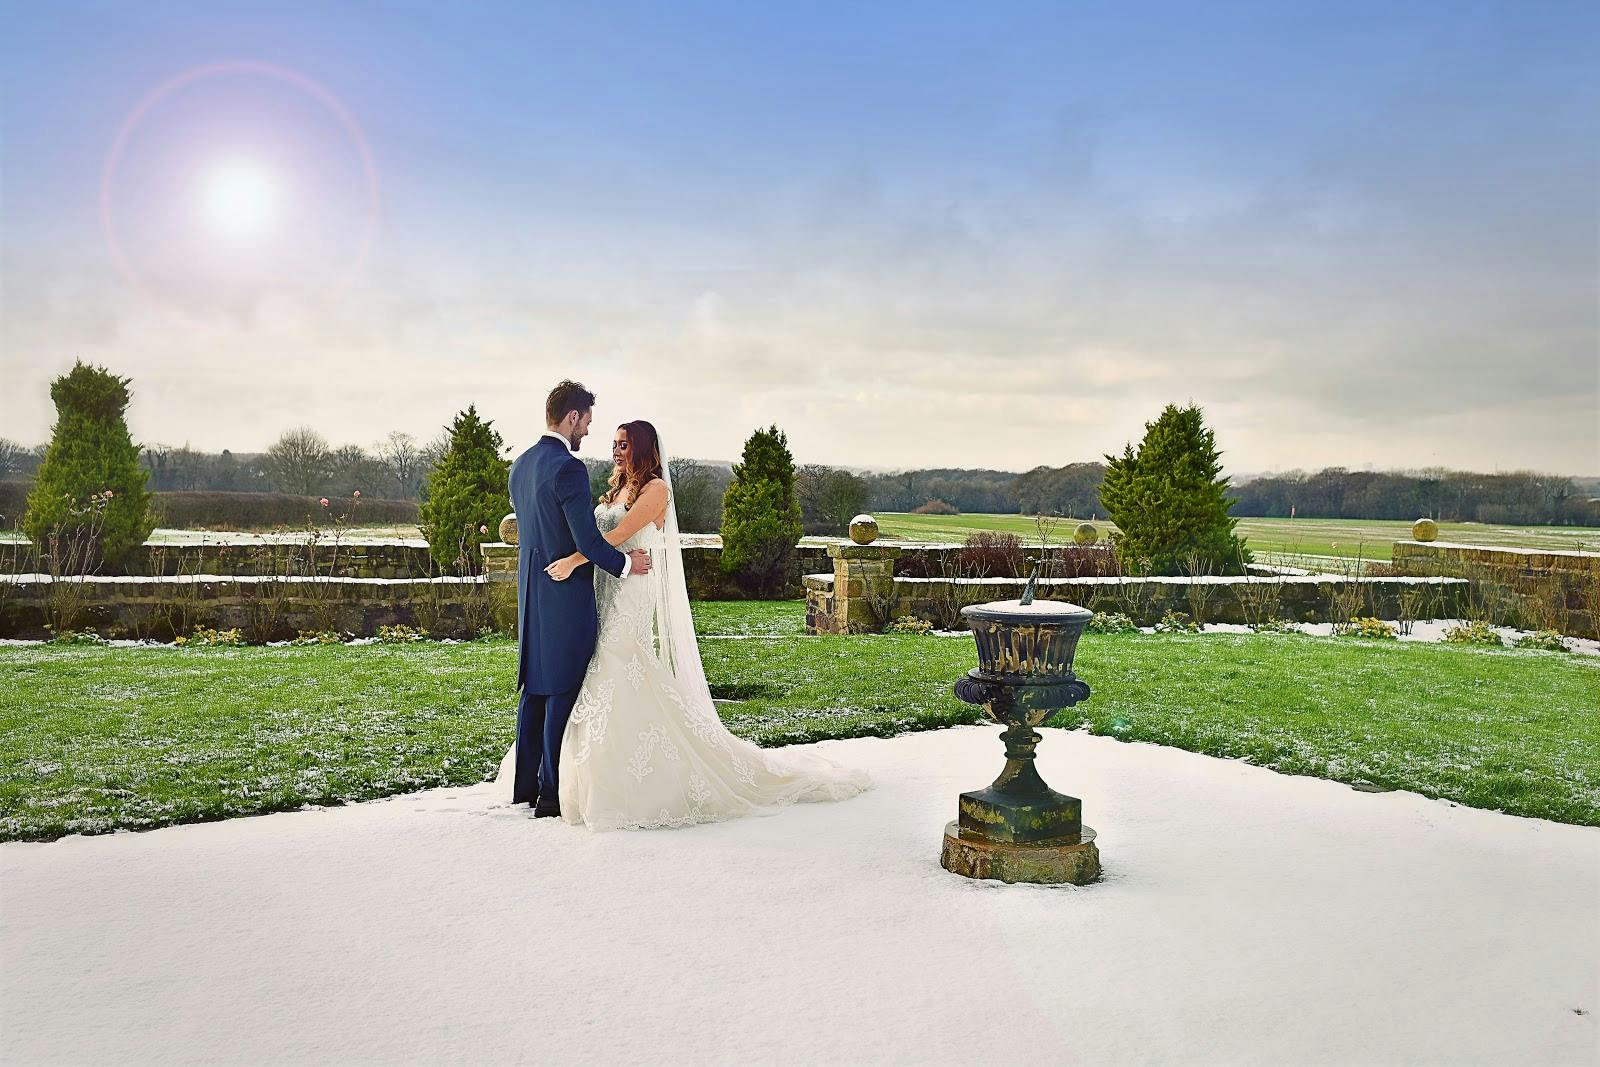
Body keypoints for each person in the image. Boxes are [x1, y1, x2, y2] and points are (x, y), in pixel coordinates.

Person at [500, 417, 869, 830]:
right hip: (604, 589)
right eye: (615, 443)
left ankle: (621, 782)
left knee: (615, 667)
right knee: (594, 672)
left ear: (643, 449)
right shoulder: (616, 487)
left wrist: (574, 560)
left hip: (630, 588)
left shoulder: (657, 490)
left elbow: (619, 533)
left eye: (625, 445)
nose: (616, 450)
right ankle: (567, 777)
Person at [505, 380, 652, 817]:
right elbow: (586, 539)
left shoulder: (521, 465)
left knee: (534, 690)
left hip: (531, 596)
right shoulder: (566, 468)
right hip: (564, 596)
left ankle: (523, 788)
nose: (586, 431)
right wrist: (626, 567)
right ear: (572, 417)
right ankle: (550, 796)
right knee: (562, 689)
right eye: (586, 421)